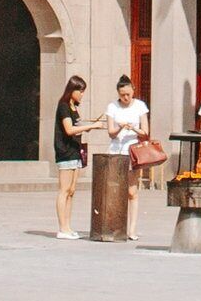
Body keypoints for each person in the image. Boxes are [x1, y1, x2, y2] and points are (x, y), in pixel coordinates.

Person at [93, 74, 150, 242]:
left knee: (132, 191)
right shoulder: (112, 107)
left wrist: (133, 128)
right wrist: (119, 127)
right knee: (114, 190)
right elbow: (110, 132)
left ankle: (132, 228)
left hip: (132, 151)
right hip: (116, 151)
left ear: (133, 91)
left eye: (128, 94)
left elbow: (145, 131)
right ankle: (115, 225)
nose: (125, 98)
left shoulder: (140, 106)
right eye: (122, 95)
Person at [51, 74, 87, 238]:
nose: (82, 94)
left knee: (72, 190)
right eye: (80, 90)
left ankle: (68, 225)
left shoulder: (74, 107)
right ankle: (62, 228)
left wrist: (87, 126)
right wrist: (91, 125)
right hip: (65, 152)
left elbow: (77, 126)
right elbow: (69, 129)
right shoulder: (64, 106)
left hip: (75, 151)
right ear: (72, 90)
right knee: (64, 190)